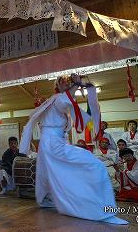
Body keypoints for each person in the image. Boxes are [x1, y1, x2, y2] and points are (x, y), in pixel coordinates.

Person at [20, 74, 127, 225]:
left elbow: (68, 101)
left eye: (68, 82)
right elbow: (66, 99)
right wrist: (76, 85)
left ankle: (48, 199)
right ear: (58, 87)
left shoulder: (54, 101)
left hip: (51, 143)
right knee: (93, 165)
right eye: (64, 82)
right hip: (53, 144)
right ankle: (98, 209)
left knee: (49, 174)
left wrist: (76, 86)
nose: (67, 84)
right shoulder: (57, 99)